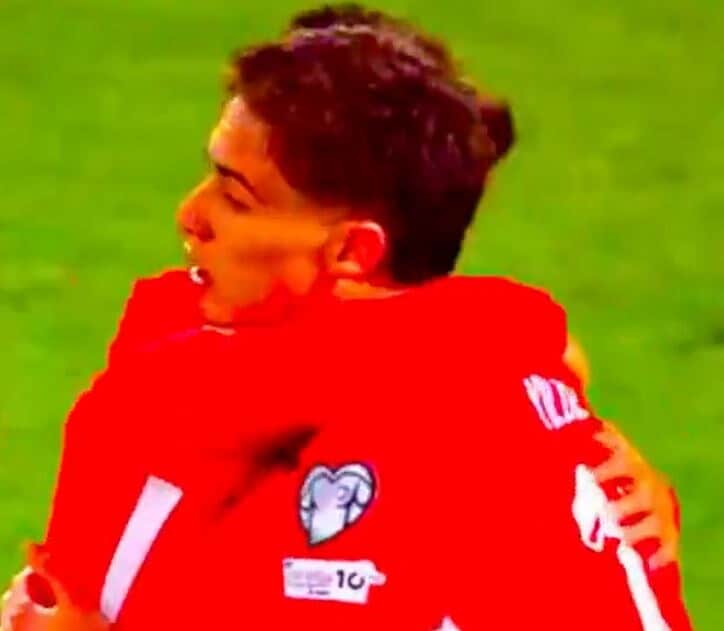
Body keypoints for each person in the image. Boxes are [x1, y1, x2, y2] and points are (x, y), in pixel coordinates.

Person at [0, 5, 690, 630]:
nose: (190, 215)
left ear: (353, 252)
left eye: (236, 198)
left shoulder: (432, 445)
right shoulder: (229, 367)